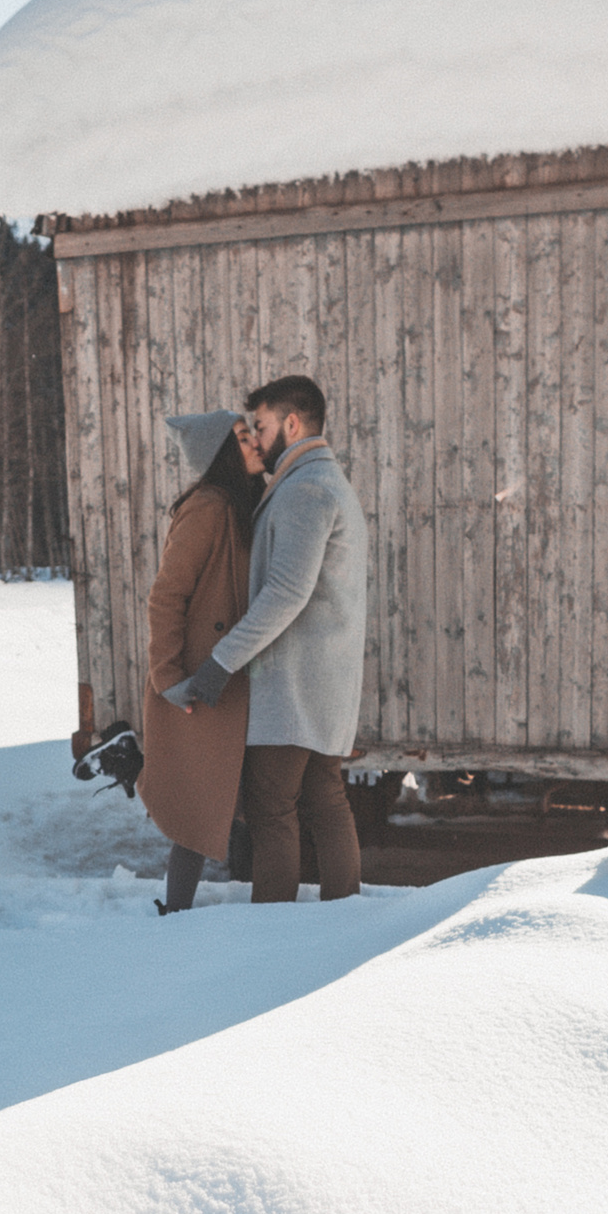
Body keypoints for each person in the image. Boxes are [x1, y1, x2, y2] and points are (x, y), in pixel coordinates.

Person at [165, 375, 368, 903]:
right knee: (325, 801)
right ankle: (344, 915)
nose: (256, 437)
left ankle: (272, 930)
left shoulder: (305, 489)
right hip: (320, 685)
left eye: (261, 425)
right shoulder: (321, 482)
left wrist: (218, 664)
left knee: (272, 809)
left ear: (292, 424)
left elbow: (284, 593)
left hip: (293, 685)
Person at [141, 411, 265, 913]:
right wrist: (168, 676)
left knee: (228, 797)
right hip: (198, 680)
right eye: (241, 438)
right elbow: (167, 596)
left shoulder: (240, 503)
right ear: (222, 454)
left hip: (228, 675)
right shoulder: (209, 507)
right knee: (198, 802)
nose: (254, 442)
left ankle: (199, 906)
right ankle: (176, 911)